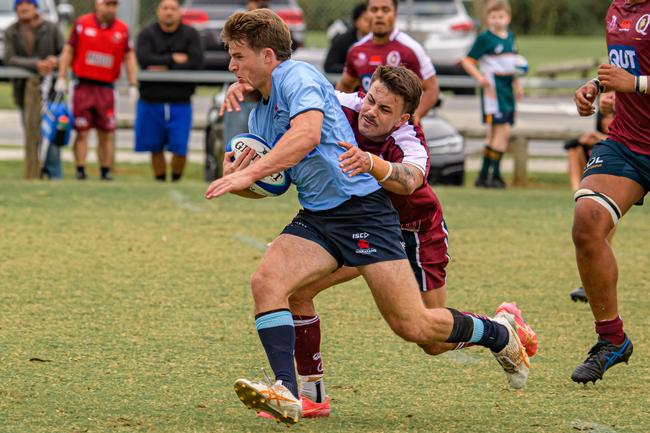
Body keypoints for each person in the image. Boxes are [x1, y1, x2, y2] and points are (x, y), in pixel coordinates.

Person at [205, 9, 531, 426]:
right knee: (270, 281)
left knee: (414, 327)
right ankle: (291, 392)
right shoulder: (263, 112)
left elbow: (307, 136)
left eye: (238, 56)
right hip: (319, 216)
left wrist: (251, 171)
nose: (232, 66)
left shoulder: (298, 77)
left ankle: (499, 332)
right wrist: (243, 176)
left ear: (268, 55)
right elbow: (280, 180)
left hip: (369, 215)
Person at [257, 66, 537, 418]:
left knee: (429, 338)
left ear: (403, 117)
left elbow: (409, 181)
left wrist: (372, 163)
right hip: (360, 226)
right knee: (297, 290)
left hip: (416, 232)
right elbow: (296, 99)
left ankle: (498, 328)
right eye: (371, 100)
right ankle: (313, 395)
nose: (371, 111)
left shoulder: (409, 139)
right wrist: (254, 88)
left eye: (385, 110)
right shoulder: (343, 105)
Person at [571, 0, 649, 384]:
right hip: (629, 144)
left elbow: (636, 77)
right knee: (588, 222)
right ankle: (611, 340)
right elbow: (628, 66)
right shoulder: (618, 8)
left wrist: (634, 85)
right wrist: (596, 85)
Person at [56, 0, 138, 181]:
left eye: (114, 5)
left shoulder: (122, 29)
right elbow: (69, 50)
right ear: (98, 5)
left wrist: (133, 84)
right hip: (83, 86)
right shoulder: (82, 24)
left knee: (106, 132)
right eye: (107, 4)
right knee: (82, 130)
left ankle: (105, 171)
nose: (111, 8)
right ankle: (80, 170)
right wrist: (62, 77)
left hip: (106, 88)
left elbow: (129, 56)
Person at [336, 0, 440, 126]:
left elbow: (431, 88)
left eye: (385, 10)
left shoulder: (411, 49)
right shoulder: (356, 50)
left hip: (398, 130)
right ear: (367, 14)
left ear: (395, 13)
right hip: (368, 127)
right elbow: (345, 86)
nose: (379, 15)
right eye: (374, 10)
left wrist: (415, 117)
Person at [135, 0, 203, 182]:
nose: (169, 12)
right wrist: (173, 59)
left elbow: (196, 61)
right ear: (158, 11)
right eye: (165, 8)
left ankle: (175, 179)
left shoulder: (190, 34)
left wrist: (162, 65)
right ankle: (159, 181)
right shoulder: (147, 34)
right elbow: (143, 59)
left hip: (180, 100)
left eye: (173, 8)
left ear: (179, 12)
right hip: (151, 100)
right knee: (154, 146)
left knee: (180, 146)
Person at [460, 0, 523, 188]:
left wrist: (517, 84)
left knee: (496, 133)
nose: (497, 20)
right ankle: (494, 176)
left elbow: (512, 65)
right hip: (493, 92)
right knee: (501, 133)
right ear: (487, 19)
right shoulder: (485, 39)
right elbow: (467, 61)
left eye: (501, 16)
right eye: (493, 17)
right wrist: (480, 78)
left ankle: (483, 176)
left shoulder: (510, 37)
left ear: (508, 18)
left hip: (507, 90)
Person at [4, 0, 65, 179]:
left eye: (27, 4)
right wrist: (36, 64)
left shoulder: (51, 28)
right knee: (31, 133)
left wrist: (55, 61)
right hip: (24, 91)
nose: (23, 8)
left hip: (51, 92)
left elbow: (65, 51)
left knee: (51, 134)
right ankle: (34, 173)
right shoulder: (11, 31)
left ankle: (55, 176)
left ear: (35, 7)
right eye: (19, 5)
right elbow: (9, 58)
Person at [221, 0, 271, 148]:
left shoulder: (275, 32)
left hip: (266, 103)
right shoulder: (238, 32)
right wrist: (239, 85)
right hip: (243, 101)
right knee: (235, 152)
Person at [566, 92, 616, 192]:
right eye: (605, 118)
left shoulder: (624, 118)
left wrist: (600, 138)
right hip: (594, 158)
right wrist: (583, 141)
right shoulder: (596, 130)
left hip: (613, 158)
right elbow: (568, 145)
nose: (607, 122)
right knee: (574, 150)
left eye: (611, 118)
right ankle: (576, 188)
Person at [324, 3, 370, 74]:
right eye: (366, 20)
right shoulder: (342, 40)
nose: (370, 23)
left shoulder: (381, 41)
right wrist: (351, 69)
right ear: (356, 21)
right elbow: (329, 65)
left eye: (372, 19)